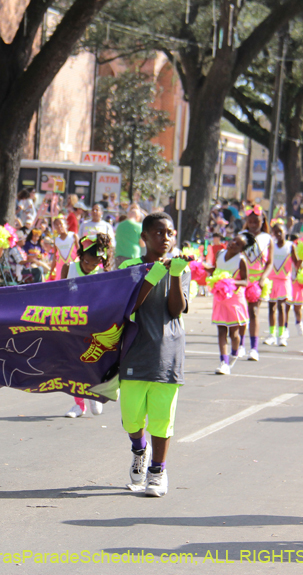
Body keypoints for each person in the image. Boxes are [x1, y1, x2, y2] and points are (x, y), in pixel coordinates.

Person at [116, 212, 190, 497]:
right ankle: (139, 449)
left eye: (170, 233)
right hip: (134, 353)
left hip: (168, 353)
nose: (166, 238)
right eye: (159, 233)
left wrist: (172, 275)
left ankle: (157, 470)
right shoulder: (131, 267)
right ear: (144, 237)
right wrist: (151, 275)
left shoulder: (181, 269)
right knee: (132, 418)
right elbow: (129, 306)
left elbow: (175, 310)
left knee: (162, 418)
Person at [61, 233, 112, 418]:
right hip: (71, 325)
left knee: (93, 363)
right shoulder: (69, 268)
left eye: (95, 263)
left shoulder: (103, 274)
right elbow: (60, 295)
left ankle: (95, 394)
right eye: (87, 262)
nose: (90, 267)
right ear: (81, 256)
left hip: (95, 326)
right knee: (73, 365)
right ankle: (78, 405)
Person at [206, 231, 254, 375]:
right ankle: (223, 362)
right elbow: (216, 269)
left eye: (237, 244)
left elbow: (245, 281)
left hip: (234, 299)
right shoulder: (220, 253)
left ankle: (234, 353)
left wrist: (231, 282)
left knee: (234, 333)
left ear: (241, 249)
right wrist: (205, 268)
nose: (233, 243)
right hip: (220, 297)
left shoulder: (241, 260)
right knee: (221, 330)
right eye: (233, 240)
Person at [239, 205, 273, 361]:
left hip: (257, 281)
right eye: (250, 220)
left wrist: (263, 278)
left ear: (262, 221)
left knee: (253, 312)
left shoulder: (267, 238)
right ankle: (240, 345)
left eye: (256, 220)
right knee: (241, 313)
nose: (253, 223)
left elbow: (270, 262)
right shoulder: (241, 236)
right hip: (241, 279)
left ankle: (254, 348)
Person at [264, 222, 299, 347]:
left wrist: (302, 264)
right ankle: (272, 335)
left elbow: (296, 263)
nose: (278, 234)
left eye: (281, 231)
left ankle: (282, 335)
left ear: (286, 232)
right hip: (271, 280)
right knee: (271, 308)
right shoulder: (271, 245)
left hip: (284, 281)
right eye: (275, 232)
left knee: (282, 307)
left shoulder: (290, 246)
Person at [49, 215, 77, 280]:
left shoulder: (73, 236)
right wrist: (51, 271)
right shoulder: (56, 240)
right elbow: (55, 257)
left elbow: (79, 252)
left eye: (61, 224)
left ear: (66, 224)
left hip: (73, 264)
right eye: (56, 225)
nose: (59, 226)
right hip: (61, 266)